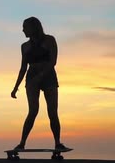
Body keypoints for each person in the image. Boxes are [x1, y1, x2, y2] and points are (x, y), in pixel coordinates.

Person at [10, 17, 70, 151]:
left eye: (25, 27)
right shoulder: (24, 46)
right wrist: (15, 87)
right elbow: (23, 68)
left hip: (49, 76)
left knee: (52, 111)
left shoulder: (49, 40)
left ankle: (57, 143)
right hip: (31, 78)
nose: (23, 30)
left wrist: (41, 76)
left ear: (34, 27)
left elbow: (53, 61)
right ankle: (21, 143)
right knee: (33, 111)